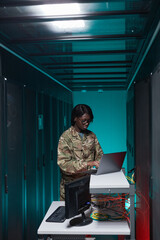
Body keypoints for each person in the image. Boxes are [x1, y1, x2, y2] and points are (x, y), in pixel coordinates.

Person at [57, 104, 103, 200]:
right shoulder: (65, 137)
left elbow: (100, 155)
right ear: (75, 118)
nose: (87, 123)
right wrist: (88, 164)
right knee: (72, 215)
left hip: (89, 186)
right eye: (84, 121)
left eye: (89, 121)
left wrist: (101, 164)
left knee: (92, 213)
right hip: (72, 188)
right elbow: (64, 165)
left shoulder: (91, 136)